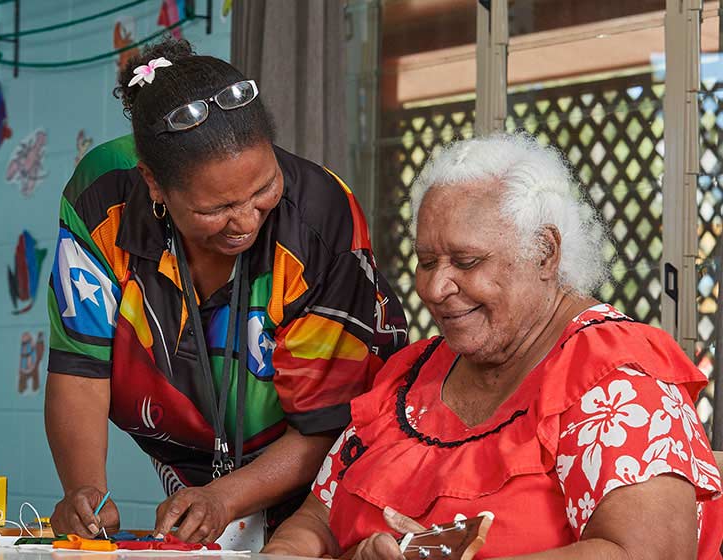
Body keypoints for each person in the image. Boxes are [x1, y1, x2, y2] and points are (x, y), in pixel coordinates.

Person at [264, 134, 723, 559]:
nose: (436, 287)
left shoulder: (615, 379)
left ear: (544, 253)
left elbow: (642, 554)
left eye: (467, 261)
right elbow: (317, 517)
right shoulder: (409, 377)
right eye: (426, 262)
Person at [44, 37, 408, 547]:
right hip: (191, 464)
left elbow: (329, 421)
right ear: (153, 183)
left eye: (263, 189)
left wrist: (224, 497)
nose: (244, 222)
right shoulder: (102, 195)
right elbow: (81, 366)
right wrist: (86, 492)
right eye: (214, 210)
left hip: (326, 471)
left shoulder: (322, 218)